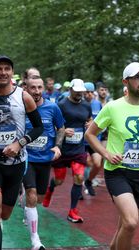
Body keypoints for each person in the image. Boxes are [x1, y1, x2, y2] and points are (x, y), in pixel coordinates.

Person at [85, 62, 139, 250]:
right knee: (132, 222)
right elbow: (90, 134)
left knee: (125, 224)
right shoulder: (113, 107)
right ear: (126, 81)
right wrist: (106, 153)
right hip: (118, 172)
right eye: (137, 77)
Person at [0, 55, 44, 249]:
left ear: (12, 73)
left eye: (7, 68)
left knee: (5, 214)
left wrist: (19, 143)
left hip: (16, 165)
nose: (3, 72)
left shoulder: (24, 97)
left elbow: (38, 128)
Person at [23, 76, 65, 249]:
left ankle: (24, 200)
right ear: (26, 88)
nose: (37, 91)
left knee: (38, 198)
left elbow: (61, 128)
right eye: (33, 88)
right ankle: (35, 240)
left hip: (45, 159)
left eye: (40, 87)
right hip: (26, 158)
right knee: (32, 194)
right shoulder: (21, 107)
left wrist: (57, 146)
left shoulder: (52, 107)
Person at [42, 79, 92, 223]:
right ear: (70, 90)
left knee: (79, 177)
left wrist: (89, 124)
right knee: (59, 180)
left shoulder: (86, 105)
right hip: (62, 148)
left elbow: (89, 120)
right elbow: (53, 125)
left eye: (81, 92)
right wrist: (63, 131)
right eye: (76, 92)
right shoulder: (61, 105)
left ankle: (72, 211)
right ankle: (50, 189)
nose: (79, 94)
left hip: (78, 148)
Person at [83, 82, 103, 196]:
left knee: (97, 163)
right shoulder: (79, 104)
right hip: (81, 141)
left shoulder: (97, 104)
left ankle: (89, 181)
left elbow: (102, 121)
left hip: (94, 139)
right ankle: (78, 187)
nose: (89, 94)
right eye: (87, 92)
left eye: (91, 92)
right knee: (84, 164)